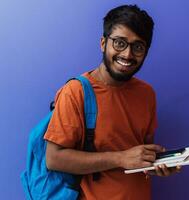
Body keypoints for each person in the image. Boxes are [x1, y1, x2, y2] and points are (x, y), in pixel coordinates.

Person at [44, 4, 181, 200]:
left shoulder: (147, 94)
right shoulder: (76, 92)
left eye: (138, 47)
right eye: (119, 43)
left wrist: (156, 165)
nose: (127, 54)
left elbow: (138, 156)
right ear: (103, 43)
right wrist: (121, 158)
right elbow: (54, 158)